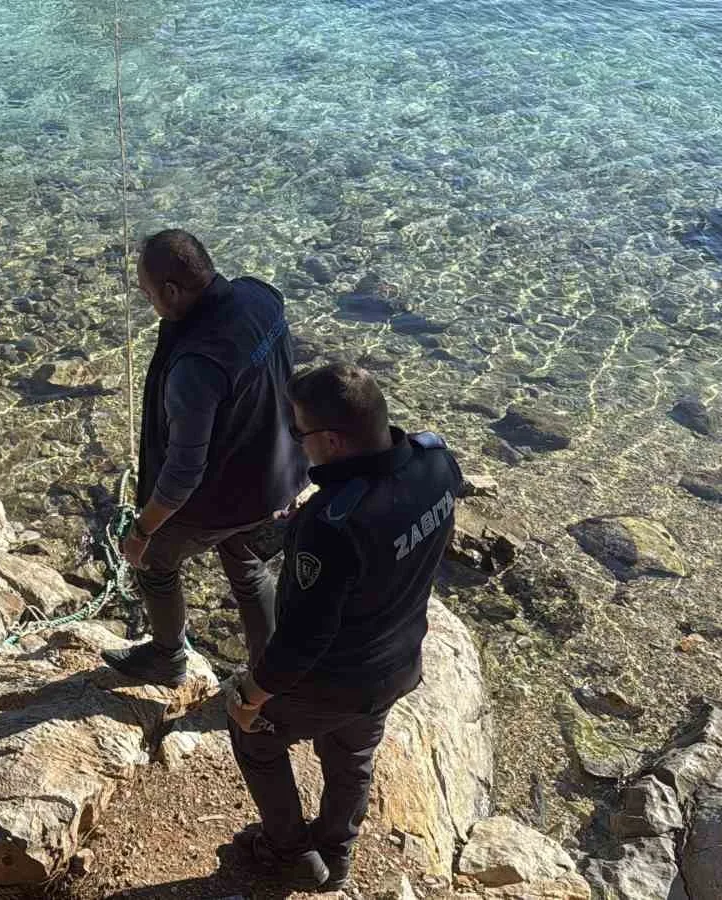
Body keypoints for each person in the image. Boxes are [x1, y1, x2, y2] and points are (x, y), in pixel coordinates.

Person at [222, 362, 462, 892]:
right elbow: (425, 540)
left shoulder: (333, 524)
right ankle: (338, 848)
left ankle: (290, 852)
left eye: (298, 432)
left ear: (330, 440)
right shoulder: (438, 463)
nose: (296, 441)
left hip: (333, 680)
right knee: (352, 754)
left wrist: (253, 695)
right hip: (399, 663)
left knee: (252, 736)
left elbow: (304, 640)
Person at [102, 228, 310, 687]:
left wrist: (141, 530)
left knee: (155, 561)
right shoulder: (262, 296)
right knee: (247, 565)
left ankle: (167, 657)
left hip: (220, 495)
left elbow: (182, 473)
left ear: (172, 292)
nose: (149, 303)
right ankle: (271, 675)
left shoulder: (195, 366)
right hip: (274, 475)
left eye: (148, 294)